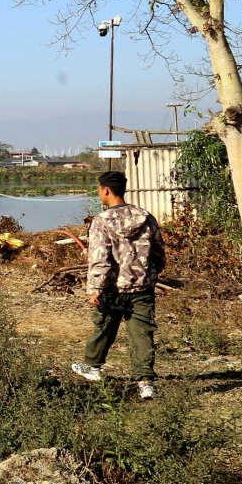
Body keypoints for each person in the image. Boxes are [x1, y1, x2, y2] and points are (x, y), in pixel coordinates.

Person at [72, 169, 165, 398]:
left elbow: (100, 259)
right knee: (142, 334)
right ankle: (145, 383)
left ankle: (93, 367)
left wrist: (95, 288)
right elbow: (159, 252)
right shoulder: (145, 216)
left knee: (104, 326)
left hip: (113, 288)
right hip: (142, 287)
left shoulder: (101, 222)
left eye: (99, 190)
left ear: (106, 190)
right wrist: (151, 274)